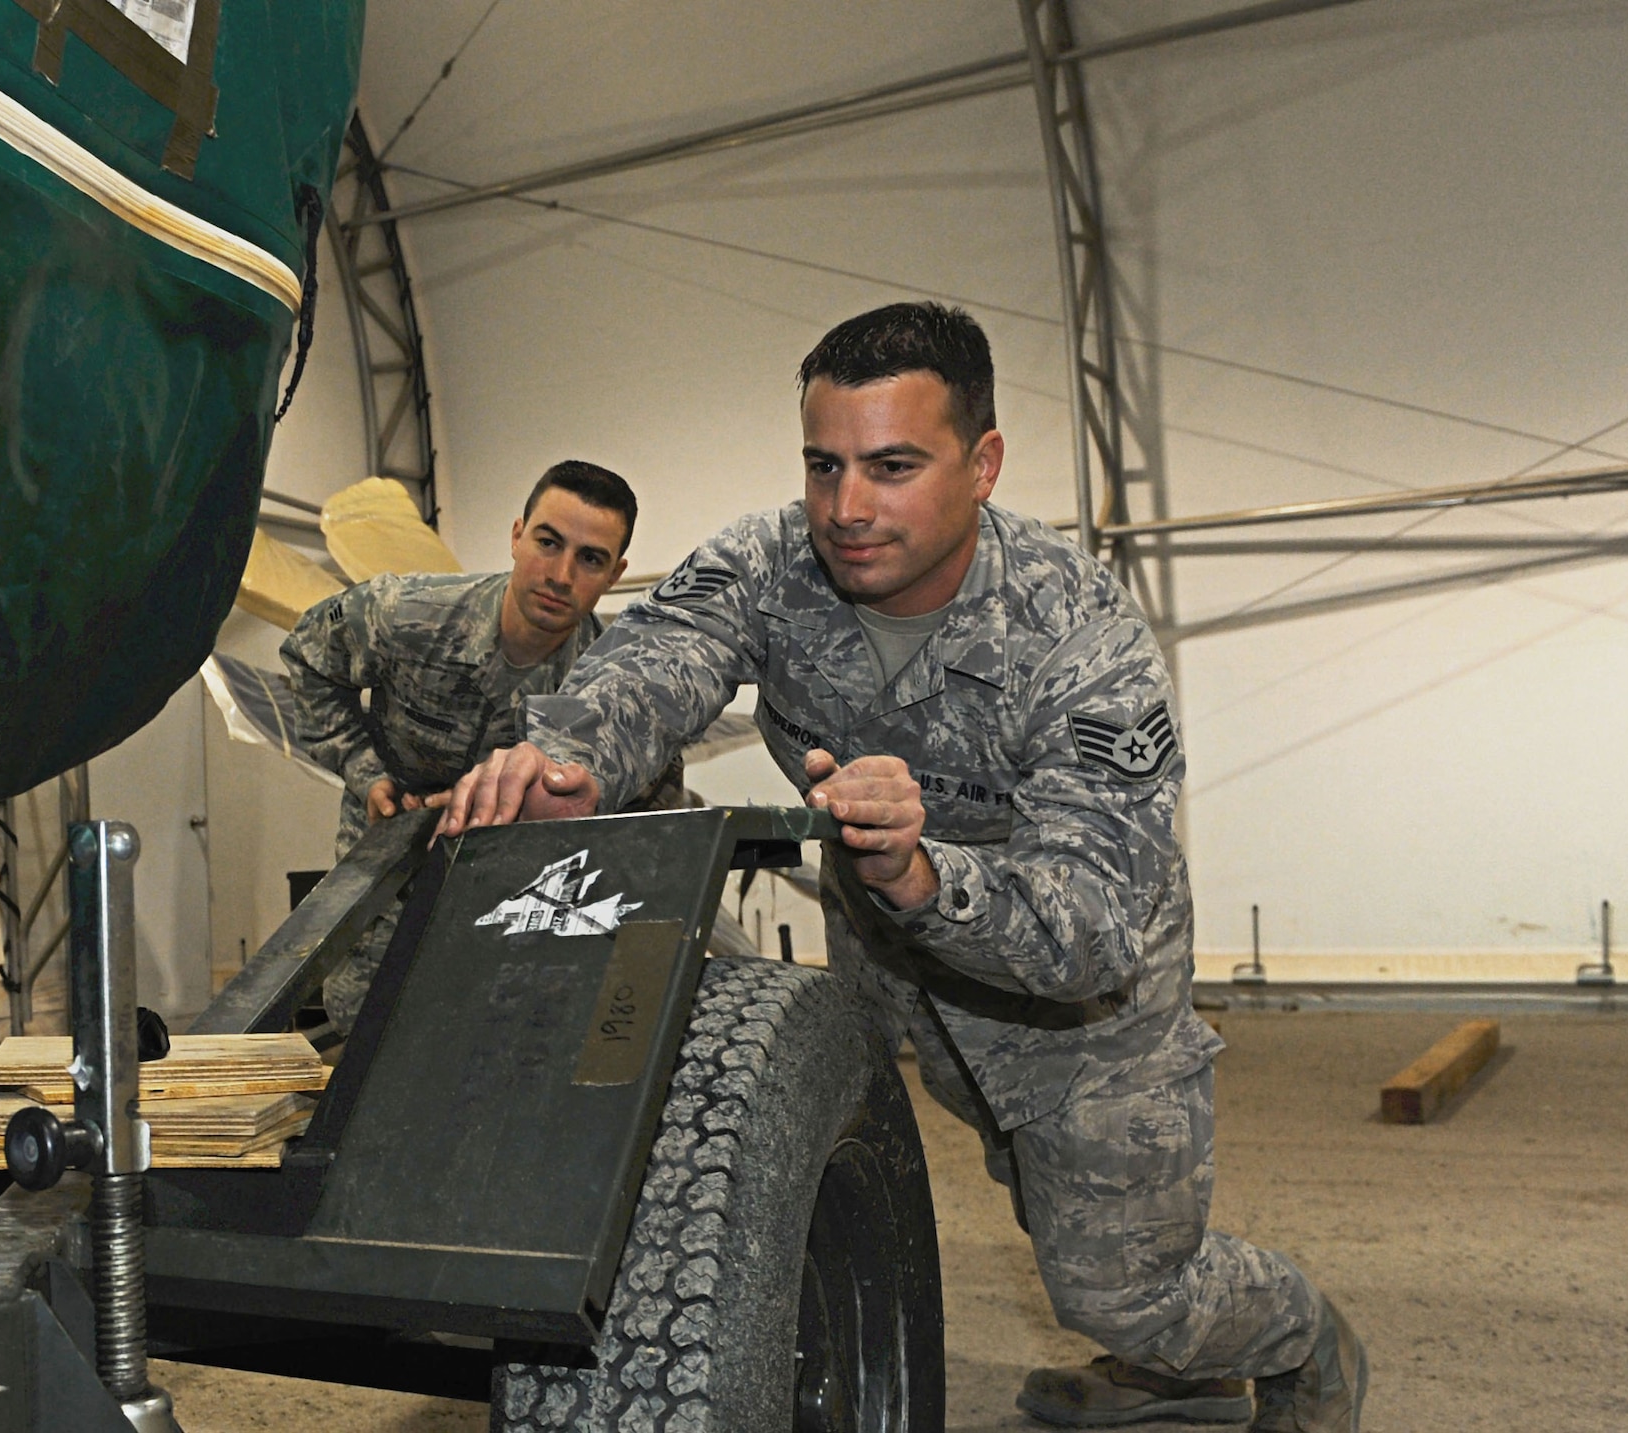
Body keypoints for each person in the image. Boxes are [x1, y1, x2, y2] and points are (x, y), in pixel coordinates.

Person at [439, 304, 1366, 1432]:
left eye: (890, 466)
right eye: (822, 465)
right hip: (891, 965)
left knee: (1122, 1286)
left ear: (981, 465)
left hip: (1080, 1015)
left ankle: (1297, 1342)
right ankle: (1158, 1367)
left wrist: (925, 874)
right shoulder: (770, 559)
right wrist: (572, 755)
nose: (845, 507)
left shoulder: (1078, 635)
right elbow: (662, 651)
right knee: (1003, 1189)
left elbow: (1093, 922)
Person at [283, 459, 677, 1031]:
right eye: (548, 542)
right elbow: (307, 658)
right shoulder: (407, 615)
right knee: (367, 1033)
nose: (561, 574)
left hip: (521, 891)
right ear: (517, 536)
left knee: (500, 1045)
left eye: (589, 559)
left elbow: (654, 797)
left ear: (614, 574)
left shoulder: (610, 685)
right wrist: (364, 770)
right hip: (390, 869)